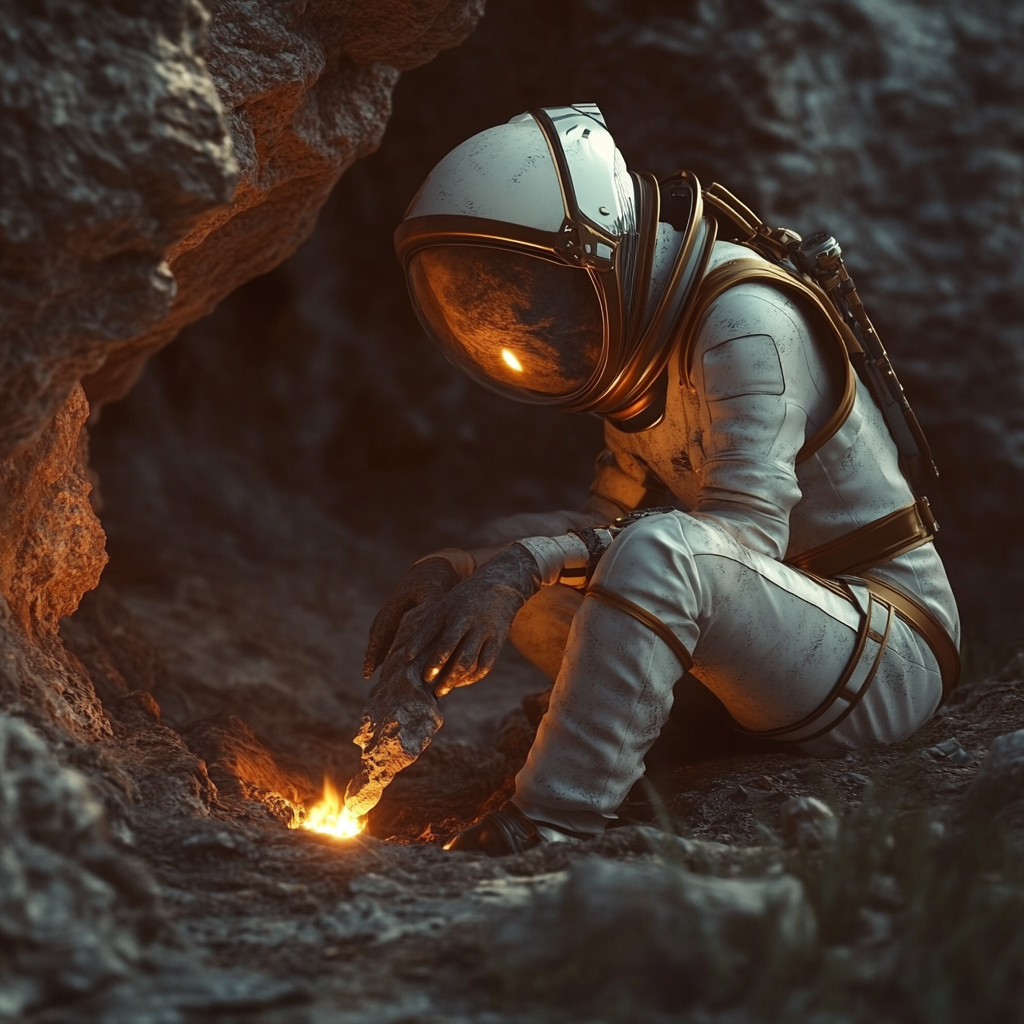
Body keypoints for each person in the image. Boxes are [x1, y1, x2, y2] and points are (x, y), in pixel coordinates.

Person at [363, 104, 960, 855]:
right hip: (773, 638)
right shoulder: (646, 341)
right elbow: (603, 522)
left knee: (643, 555)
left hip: (883, 657)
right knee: (504, 553)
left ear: (597, 253)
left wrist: (538, 561)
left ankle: (550, 822)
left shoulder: (747, 323)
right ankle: (677, 727)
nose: (537, 327)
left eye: (545, 296)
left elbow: (741, 537)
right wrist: (462, 570)